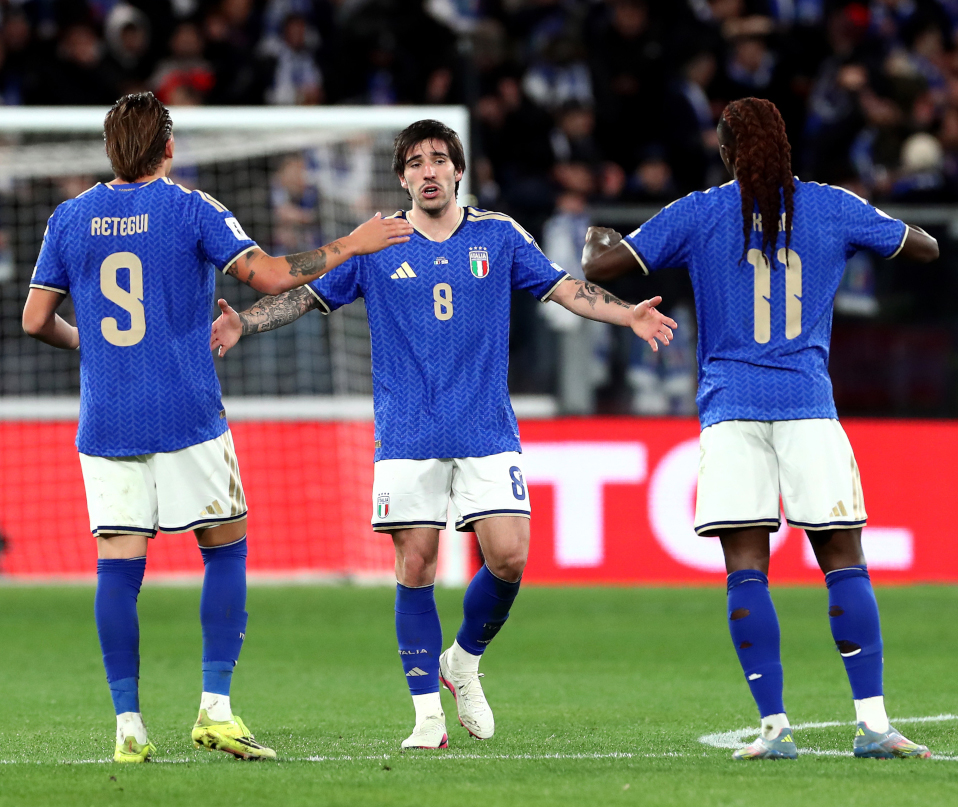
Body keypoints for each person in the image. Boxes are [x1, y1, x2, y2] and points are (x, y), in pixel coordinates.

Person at [210, 119, 677, 750]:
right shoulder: (377, 243)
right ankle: (427, 716)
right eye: (415, 162)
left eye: (438, 159)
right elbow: (305, 298)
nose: (427, 170)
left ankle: (463, 660)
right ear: (402, 178)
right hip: (408, 431)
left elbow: (565, 287)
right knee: (416, 563)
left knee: (509, 555)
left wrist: (627, 314)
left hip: (486, 427)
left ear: (458, 171)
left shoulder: (499, 234)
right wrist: (244, 322)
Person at [21, 92, 412, 763]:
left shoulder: (69, 217)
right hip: (186, 411)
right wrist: (355, 241)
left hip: (107, 416)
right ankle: (216, 710)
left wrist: (88, 343)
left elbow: (34, 319)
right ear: (168, 148)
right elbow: (272, 276)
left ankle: (128, 727)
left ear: (110, 149)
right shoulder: (191, 208)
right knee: (225, 547)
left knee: (118, 567)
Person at [582, 96, 939, 761]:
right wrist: (870, 225)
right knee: (843, 559)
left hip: (731, 408)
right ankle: (874, 723)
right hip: (808, 403)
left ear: (724, 153)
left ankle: (775, 728)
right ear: (786, 148)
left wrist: (596, 239)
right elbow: (924, 246)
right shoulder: (831, 204)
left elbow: (601, 270)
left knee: (746, 569)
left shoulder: (699, 210)